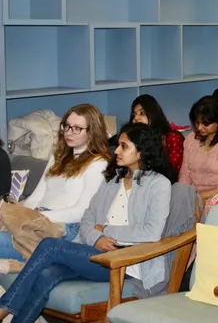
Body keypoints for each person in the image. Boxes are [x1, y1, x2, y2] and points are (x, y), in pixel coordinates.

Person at [0, 123, 176, 322]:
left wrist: (107, 231)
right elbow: (88, 218)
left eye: (124, 146)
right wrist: (97, 237)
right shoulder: (114, 178)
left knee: (50, 246)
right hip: (96, 251)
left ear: (142, 151)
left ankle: (5, 307)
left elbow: (151, 232)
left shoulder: (158, 184)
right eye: (117, 145)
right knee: (47, 274)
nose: (116, 150)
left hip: (127, 261)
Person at [0, 105, 111, 262]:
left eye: (77, 128)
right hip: (39, 219)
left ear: (92, 132)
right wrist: (23, 212)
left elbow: (82, 212)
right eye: (66, 125)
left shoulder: (98, 163)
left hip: (65, 228)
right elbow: (38, 193)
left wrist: (37, 217)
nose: (69, 132)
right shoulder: (58, 156)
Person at [126, 95, 185, 173]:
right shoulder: (136, 139)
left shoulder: (172, 138)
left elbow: (171, 171)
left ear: (153, 115)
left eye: (142, 113)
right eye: (134, 115)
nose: (136, 118)